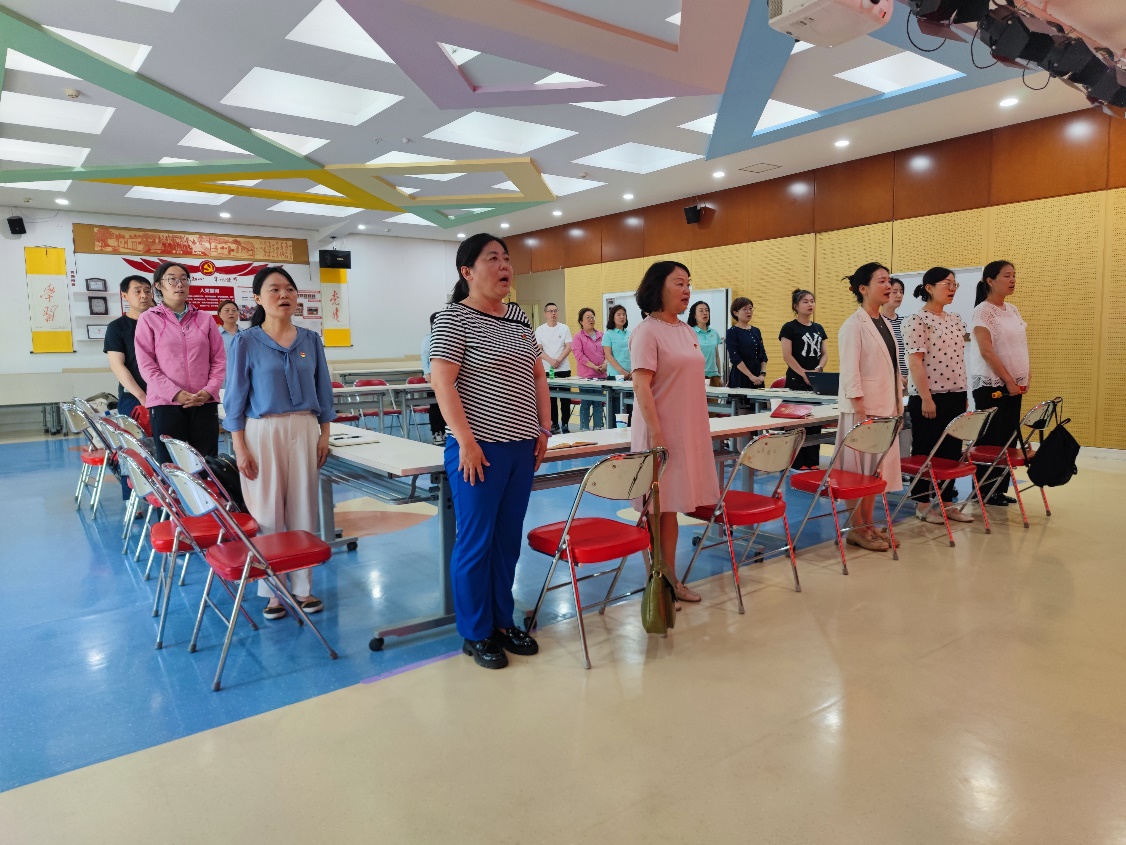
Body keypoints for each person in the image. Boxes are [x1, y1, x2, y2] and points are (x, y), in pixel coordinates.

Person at [430, 234, 551, 670]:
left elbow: (538, 375)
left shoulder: (517, 316)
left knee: (506, 541)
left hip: (522, 446)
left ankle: (503, 620)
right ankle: (476, 631)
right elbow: (442, 382)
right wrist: (465, 441)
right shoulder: (453, 319)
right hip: (478, 450)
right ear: (467, 272)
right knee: (476, 542)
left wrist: (544, 427)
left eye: (506, 259)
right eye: (492, 259)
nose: (504, 266)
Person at [224, 267, 336, 619]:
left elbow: (323, 390)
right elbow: (235, 398)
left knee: (303, 507)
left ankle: (303, 588)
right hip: (262, 430)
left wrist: (324, 434)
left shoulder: (310, 340)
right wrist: (239, 446)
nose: (284, 295)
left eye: (289, 288)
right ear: (258, 298)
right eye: (274, 289)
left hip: (304, 428)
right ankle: (273, 590)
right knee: (267, 512)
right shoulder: (246, 341)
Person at [630, 261, 720, 606]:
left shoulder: (685, 330)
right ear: (658, 287)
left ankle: (669, 580)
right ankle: (660, 583)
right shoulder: (647, 331)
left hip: (687, 429)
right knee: (658, 509)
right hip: (661, 432)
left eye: (688, 283)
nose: (687, 290)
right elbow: (641, 385)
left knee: (671, 507)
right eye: (679, 283)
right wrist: (656, 435)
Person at [835, 263, 903, 552]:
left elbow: (892, 369)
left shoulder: (884, 322)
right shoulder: (853, 325)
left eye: (889, 281)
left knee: (875, 472)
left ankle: (869, 524)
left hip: (886, 409)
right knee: (857, 472)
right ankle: (856, 528)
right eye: (882, 281)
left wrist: (898, 407)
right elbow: (850, 372)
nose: (888, 286)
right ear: (863, 289)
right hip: (863, 410)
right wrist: (860, 413)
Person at [134, 262, 225, 466]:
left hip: (203, 401)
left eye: (184, 279)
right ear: (158, 285)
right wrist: (175, 393)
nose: (179, 284)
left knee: (207, 465)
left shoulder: (205, 319)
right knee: (171, 466)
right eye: (172, 279)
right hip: (166, 404)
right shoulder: (148, 319)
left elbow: (218, 359)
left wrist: (209, 390)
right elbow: (146, 365)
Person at [903, 268, 972, 524]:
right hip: (929, 396)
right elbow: (915, 363)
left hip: (956, 393)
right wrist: (926, 398)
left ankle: (947, 501)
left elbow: (958, 359)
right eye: (947, 283)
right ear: (929, 288)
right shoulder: (917, 320)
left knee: (951, 450)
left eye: (955, 284)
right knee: (925, 449)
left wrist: (963, 392)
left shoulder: (955, 319)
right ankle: (922, 503)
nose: (952, 288)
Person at [970, 260, 1029, 506]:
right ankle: (984, 490)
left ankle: (999, 488)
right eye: (1007, 275)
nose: (1012, 280)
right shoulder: (983, 311)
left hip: (1014, 384)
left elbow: (1019, 345)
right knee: (991, 439)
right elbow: (987, 351)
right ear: (990, 281)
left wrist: (1024, 375)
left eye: (1014, 275)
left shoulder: (1012, 309)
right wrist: (1008, 380)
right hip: (992, 385)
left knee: (1008, 438)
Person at [104, 274, 154, 499]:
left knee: (162, 448)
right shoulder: (117, 327)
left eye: (147, 290)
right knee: (132, 449)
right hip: (133, 397)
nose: (144, 295)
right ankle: (132, 499)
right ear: (125, 295)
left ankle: (164, 498)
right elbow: (117, 365)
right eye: (137, 291)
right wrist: (141, 395)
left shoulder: (160, 323)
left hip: (164, 396)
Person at [780, 289, 828, 468]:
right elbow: (787, 355)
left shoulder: (819, 328)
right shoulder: (789, 328)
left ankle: (813, 461)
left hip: (815, 381)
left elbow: (824, 354)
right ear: (796, 306)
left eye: (812, 301)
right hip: (796, 380)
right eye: (805, 301)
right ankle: (797, 462)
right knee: (798, 422)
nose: (810, 304)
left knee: (814, 420)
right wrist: (804, 374)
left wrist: (818, 369)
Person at [534, 302, 573, 434]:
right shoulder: (540, 330)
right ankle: (554, 423)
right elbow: (538, 349)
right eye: (550, 311)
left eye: (555, 311)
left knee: (565, 399)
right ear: (545, 314)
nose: (553, 313)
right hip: (547, 369)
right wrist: (551, 360)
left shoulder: (564, 328)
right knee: (550, 399)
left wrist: (559, 360)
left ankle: (565, 424)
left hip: (563, 369)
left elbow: (569, 346)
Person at [572, 307, 607, 430]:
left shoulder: (602, 335)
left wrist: (605, 364)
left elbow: (608, 352)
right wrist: (594, 366)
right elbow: (579, 355)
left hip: (600, 376)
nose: (591, 319)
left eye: (592, 317)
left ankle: (598, 428)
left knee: (598, 403)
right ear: (581, 321)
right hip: (585, 376)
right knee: (586, 402)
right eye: (588, 318)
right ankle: (584, 429)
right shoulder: (578, 337)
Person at [725, 296, 767, 389]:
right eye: (745, 309)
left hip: (758, 376)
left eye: (750, 308)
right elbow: (735, 357)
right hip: (741, 376)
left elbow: (763, 354)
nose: (749, 311)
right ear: (735, 313)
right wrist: (751, 376)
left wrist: (762, 374)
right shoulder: (732, 332)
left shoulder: (756, 330)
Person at [603, 304, 631, 427]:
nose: (622, 317)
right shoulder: (608, 335)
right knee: (616, 408)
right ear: (612, 317)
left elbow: (635, 352)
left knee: (630, 408)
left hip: (630, 376)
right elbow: (608, 356)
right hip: (615, 376)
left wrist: (632, 371)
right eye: (618, 314)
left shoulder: (631, 333)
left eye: (624, 314)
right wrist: (622, 372)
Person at [421, 311, 447, 444]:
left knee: (448, 405)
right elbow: (424, 357)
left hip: (447, 377)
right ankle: (437, 432)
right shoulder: (428, 339)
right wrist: (428, 374)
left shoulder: (448, 338)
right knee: (435, 406)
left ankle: (447, 431)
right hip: (434, 377)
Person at [686, 301, 723, 386]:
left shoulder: (714, 333)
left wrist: (720, 376)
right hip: (696, 375)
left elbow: (717, 356)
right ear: (694, 315)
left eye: (706, 310)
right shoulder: (689, 332)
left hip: (714, 376)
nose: (705, 313)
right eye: (701, 311)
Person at [881, 278, 909, 389]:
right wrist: (897, 377)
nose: (899, 295)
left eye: (901, 292)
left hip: (909, 381)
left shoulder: (906, 322)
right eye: (894, 292)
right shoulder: (877, 322)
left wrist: (910, 376)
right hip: (887, 381)